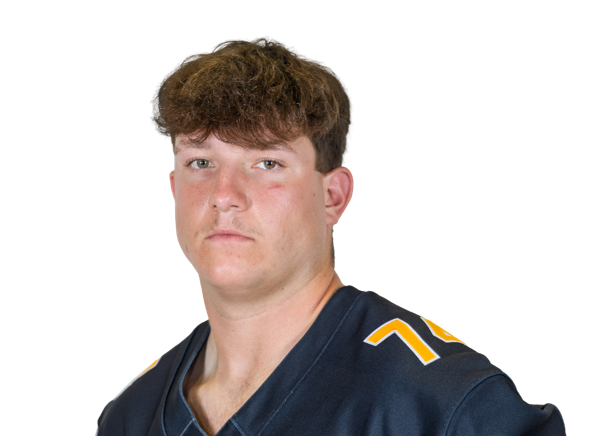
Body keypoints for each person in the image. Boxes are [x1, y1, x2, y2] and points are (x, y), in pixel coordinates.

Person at [96, 36, 566, 436]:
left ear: (332, 196)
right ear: (174, 187)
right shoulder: (131, 416)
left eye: (267, 163)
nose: (224, 195)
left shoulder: (444, 407)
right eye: (201, 162)